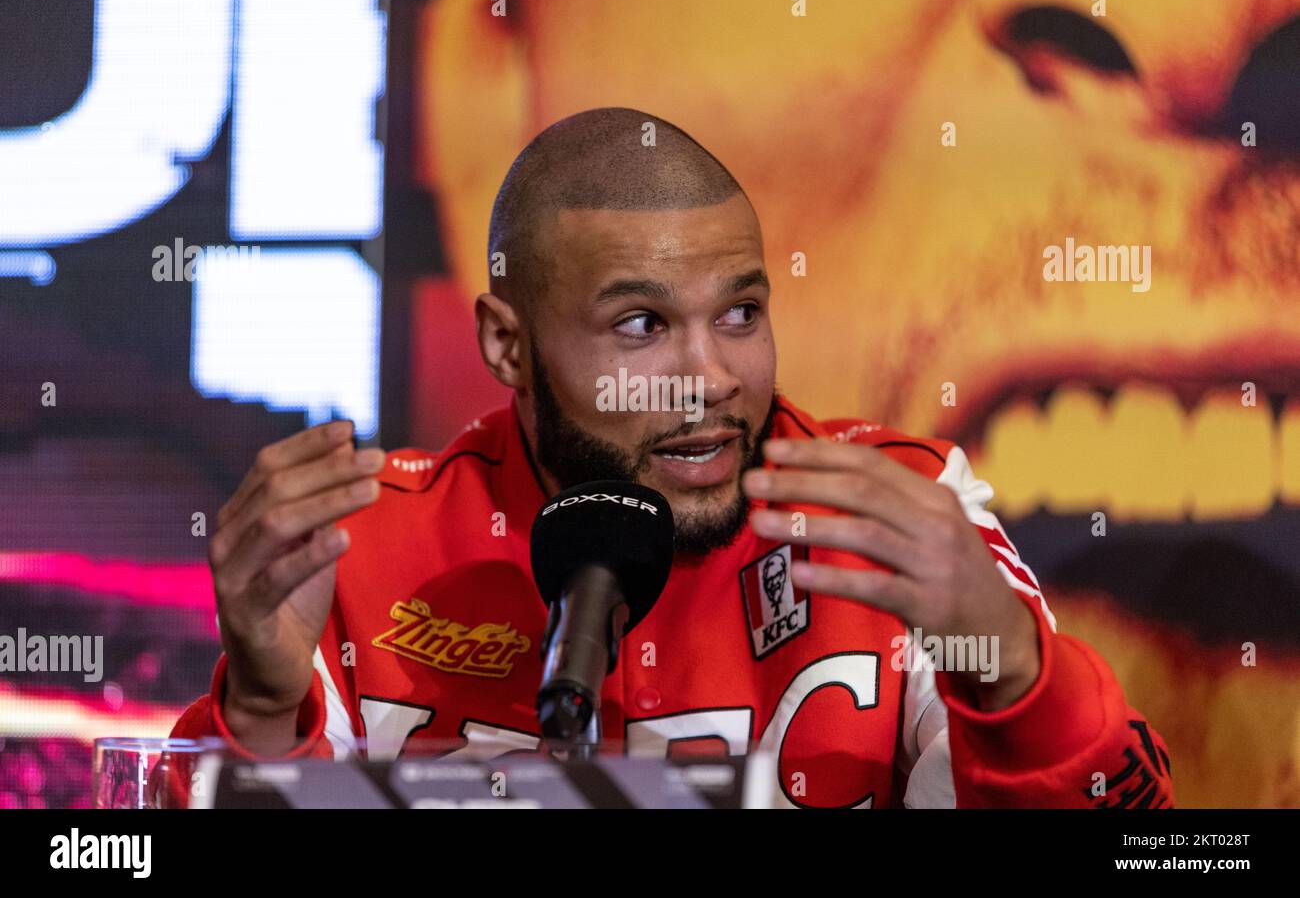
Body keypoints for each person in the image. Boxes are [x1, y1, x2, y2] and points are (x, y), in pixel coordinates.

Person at [170, 108, 1173, 808]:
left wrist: (1008, 670)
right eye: (642, 323)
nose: (711, 376)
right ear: (506, 344)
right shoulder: (365, 547)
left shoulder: (903, 509)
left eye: (740, 313)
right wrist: (260, 708)